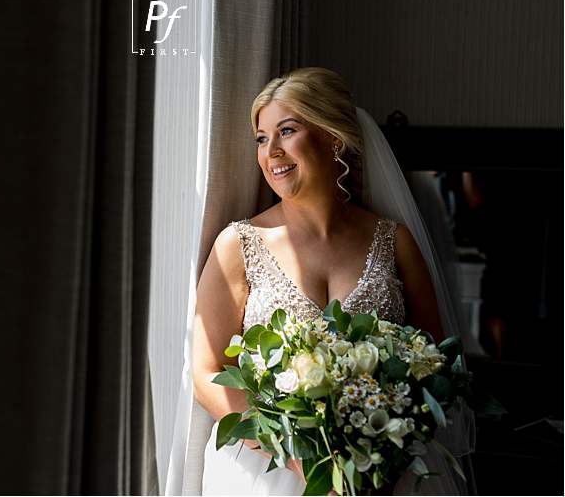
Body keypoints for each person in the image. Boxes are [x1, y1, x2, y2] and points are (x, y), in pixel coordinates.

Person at [174, 68, 474, 495]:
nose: (270, 152)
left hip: (383, 474)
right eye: (262, 138)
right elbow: (207, 374)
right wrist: (300, 456)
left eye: (286, 131)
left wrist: (379, 457)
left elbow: (435, 364)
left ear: (333, 137)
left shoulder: (393, 241)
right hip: (266, 471)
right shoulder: (238, 245)